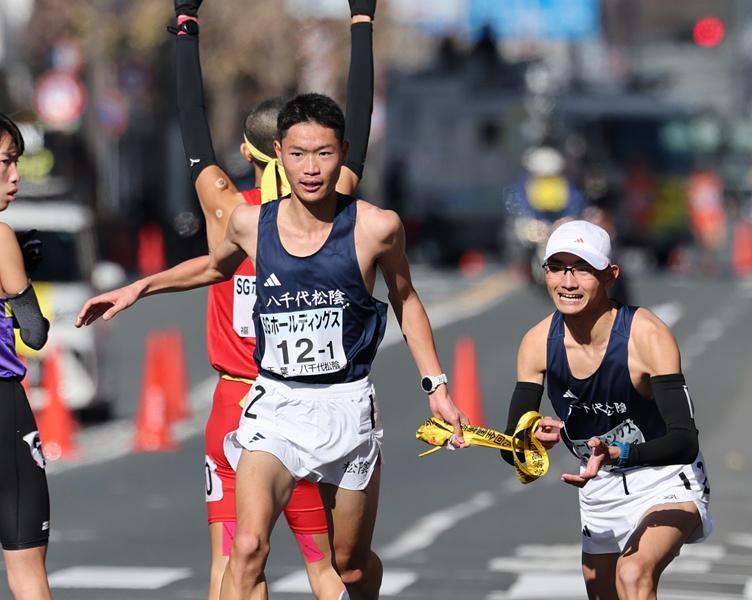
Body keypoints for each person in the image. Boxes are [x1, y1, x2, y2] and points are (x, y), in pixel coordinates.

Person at [76, 93, 467, 600]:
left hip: (346, 407)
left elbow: (406, 300)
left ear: (343, 153)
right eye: (299, 154)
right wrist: (138, 288)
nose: (311, 168)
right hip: (275, 405)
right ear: (278, 153)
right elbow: (215, 267)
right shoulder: (249, 223)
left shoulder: (376, 227)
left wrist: (436, 385)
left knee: (347, 565)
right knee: (247, 547)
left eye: (324, 154)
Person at [169, 0, 375, 597]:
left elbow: (192, 123)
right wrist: (362, 19)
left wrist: (186, 19)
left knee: (234, 564)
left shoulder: (227, 211)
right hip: (307, 402)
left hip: (237, 403)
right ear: (288, 149)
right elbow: (355, 123)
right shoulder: (332, 199)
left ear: (249, 149)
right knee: (329, 569)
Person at [501, 220, 713, 600]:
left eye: (582, 268)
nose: (567, 282)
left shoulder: (646, 336)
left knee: (633, 574)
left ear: (610, 275)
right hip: (601, 488)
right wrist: (527, 438)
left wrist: (618, 452)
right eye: (557, 267)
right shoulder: (536, 343)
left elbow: (684, 441)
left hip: (664, 478)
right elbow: (512, 446)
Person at [0, 112, 52, 599]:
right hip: (3, 407)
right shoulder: (1, 236)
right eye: (5, 163)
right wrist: (23, 273)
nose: (16, 176)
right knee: (25, 563)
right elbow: (34, 332)